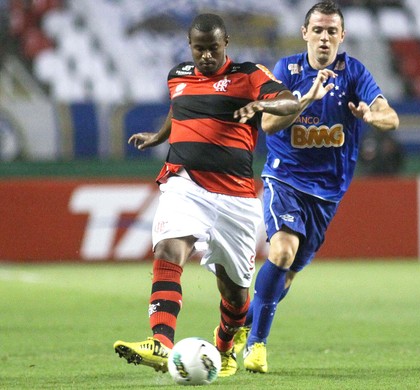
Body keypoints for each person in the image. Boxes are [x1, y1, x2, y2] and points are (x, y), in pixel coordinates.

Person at [112, 13, 305, 377]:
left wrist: (263, 105)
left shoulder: (248, 75)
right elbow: (179, 109)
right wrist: (159, 136)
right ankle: (161, 341)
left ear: (225, 43)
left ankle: (226, 341)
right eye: (199, 49)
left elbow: (291, 103)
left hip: (237, 201)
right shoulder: (178, 76)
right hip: (185, 183)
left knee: (235, 295)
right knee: (169, 248)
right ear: (190, 46)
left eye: (212, 48)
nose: (205, 56)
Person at [234, 0, 399, 374]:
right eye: (318, 30)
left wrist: (374, 114)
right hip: (285, 177)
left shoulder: (354, 73)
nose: (324, 38)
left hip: (327, 192)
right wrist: (305, 100)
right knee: (282, 251)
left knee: (289, 273)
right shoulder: (287, 70)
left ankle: (240, 326)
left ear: (342, 36)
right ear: (305, 33)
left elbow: (391, 116)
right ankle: (256, 345)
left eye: (331, 31)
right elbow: (270, 127)